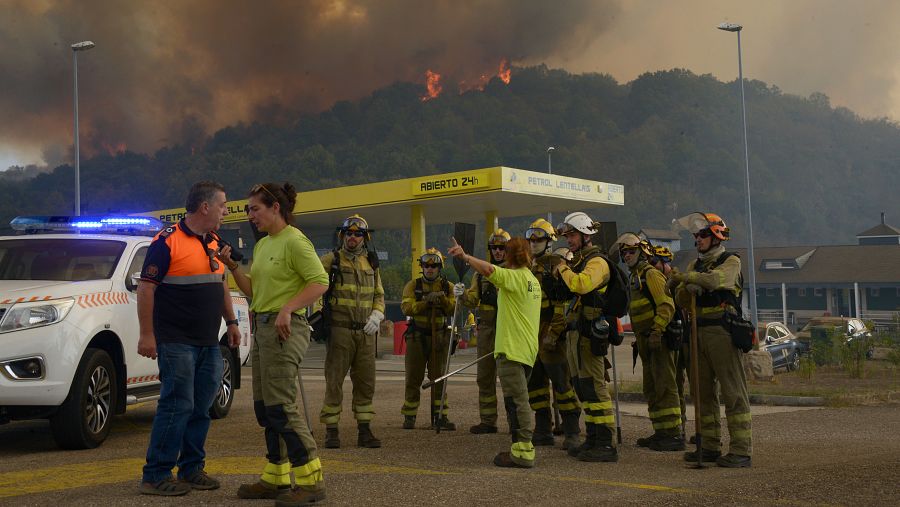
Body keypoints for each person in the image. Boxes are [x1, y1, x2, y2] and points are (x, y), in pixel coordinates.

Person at [220, 182, 330, 503]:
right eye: (248, 210)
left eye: (255, 209)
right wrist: (233, 269)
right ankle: (277, 477)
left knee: (281, 407)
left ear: (275, 208)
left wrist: (287, 308)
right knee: (265, 409)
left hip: (285, 329)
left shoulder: (295, 242)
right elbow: (255, 291)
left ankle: (311, 482)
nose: (250, 215)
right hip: (264, 328)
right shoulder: (264, 245)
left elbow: (320, 282)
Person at [137, 180, 241, 496]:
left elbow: (220, 283)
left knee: (201, 406)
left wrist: (232, 321)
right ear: (204, 207)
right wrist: (147, 335)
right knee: (176, 405)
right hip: (176, 340)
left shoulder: (213, 242)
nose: (225, 210)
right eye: (222, 205)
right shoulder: (166, 242)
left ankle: (191, 469)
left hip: (208, 341)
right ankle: (155, 475)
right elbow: (146, 288)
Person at [668, 212, 752, 468]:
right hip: (698, 331)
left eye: (702, 234)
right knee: (702, 393)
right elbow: (681, 298)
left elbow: (717, 281)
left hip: (722, 332)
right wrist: (684, 288)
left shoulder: (730, 261)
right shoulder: (695, 265)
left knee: (733, 391)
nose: (697, 240)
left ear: (716, 235)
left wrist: (687, 279)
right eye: (695, 235)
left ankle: (741, 450)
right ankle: (711, 446)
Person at [448, 236, 541, 468]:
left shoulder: (514, 277)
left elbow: (489, 270)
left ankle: (523, 451)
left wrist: (465, 257)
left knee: (516, 401)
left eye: (504, 251)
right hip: (527, 350)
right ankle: (520, 446)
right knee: (521, 399)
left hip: (511, 350)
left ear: (510, 256)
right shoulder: (532, 280)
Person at [553, 212, 618, 463]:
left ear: (585, 235)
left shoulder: (597, 262)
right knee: (583, 387)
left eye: (571, 235)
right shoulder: (580, 261)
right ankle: (592, 438)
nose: (568, 240)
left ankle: (606, 443)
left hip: (591, 334)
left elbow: (581, 286)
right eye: (567, 235)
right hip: (576, 334)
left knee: (595, 387)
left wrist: (562, 268)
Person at [318, 214, 384, 449]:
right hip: (340, 331)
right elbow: (313, 284)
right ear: (342, 236)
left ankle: (364, 431)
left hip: (366, 333)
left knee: (366, 382)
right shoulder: (331, 260)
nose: (353, 237)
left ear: (364, 238)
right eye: (349, 233)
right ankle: (331, 431)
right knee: (334, 381)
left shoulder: (372, 264)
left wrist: (377, 315)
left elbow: (379, 295)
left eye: (357, 234)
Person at [615, 233, 682, 451]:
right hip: (644, 341)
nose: (626, 256)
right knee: (651, 387)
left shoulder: (650, 274)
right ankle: (660, 431)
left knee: (665, 385)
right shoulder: (635, 276)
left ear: (642, 252)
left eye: (630, 251)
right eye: (623, 252)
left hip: (658, 340)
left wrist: (656, 330)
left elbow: (667, 304)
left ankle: (673, 435)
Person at [526, 218, 582, 451]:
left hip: (551, 332)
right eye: (531, 238)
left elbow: (562, 303)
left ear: (550, 241)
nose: (534, 242)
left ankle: (572, 432)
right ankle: (542, 429)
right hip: (532, 332)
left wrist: (554, 332)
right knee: (535, 383)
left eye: (539, 237)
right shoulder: (528, 267)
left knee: (562, 383)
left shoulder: (557, 265)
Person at [400, 248, 456, 430]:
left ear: (440, 268)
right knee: (413, 378)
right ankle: (409, 417)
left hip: (439, 338)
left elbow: (454, 310)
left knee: (439, 378)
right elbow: (406, 308)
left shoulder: (448, 287)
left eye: (434, 266)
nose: (430, 269)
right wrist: (426, 303)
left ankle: (440, 416)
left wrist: (442, 300)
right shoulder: (412, 285)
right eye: (426, 265)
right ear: (422, 267)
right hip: (417, 338)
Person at [459, 229, 509, 434]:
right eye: (494, 248)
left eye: (502, 248)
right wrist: (461, 294)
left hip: (508, 330)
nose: (497, 251)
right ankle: (488, 421)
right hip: (487, 330)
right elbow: (472, 300)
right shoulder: (480, 274)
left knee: (510, 378)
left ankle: (515, 421)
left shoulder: (515, 271)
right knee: (485, 377)